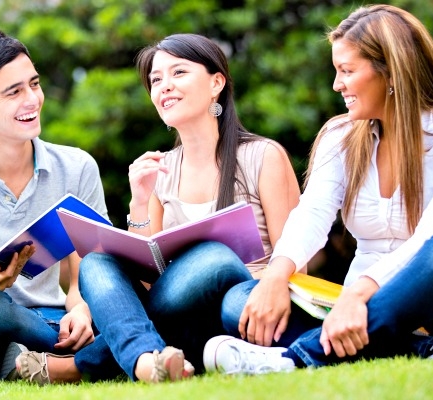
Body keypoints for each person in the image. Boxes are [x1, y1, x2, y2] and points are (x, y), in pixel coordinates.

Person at [204, 4, 433, 375]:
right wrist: (277, 276)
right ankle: (429, 350)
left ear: (391, 72)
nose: (336, 84)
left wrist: (359, 294)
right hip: (352, 308)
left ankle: (293, 359)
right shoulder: (341, 136)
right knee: (241, 301)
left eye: (346, 71)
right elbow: (313, 214)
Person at [78, 33, 301, 383]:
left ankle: (82, 365)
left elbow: (296, 258)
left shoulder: (263, 156)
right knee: (95, 263)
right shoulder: (161, 170)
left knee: (214, 257)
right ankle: (146, 362)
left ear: (216, 83)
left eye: (178, 72)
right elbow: (149, 279)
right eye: (155, 79)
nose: (164, 86)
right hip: (181, 320)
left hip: (242, 307)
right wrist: (138, 201)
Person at [0, 27, 122, 384]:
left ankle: (42, 361)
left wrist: (79, 307)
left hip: (52, 317)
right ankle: (77, 360)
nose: (32, 99)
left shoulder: (76, 167)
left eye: (34, 84)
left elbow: (86, 274)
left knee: (127, 305)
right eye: (14, 92)